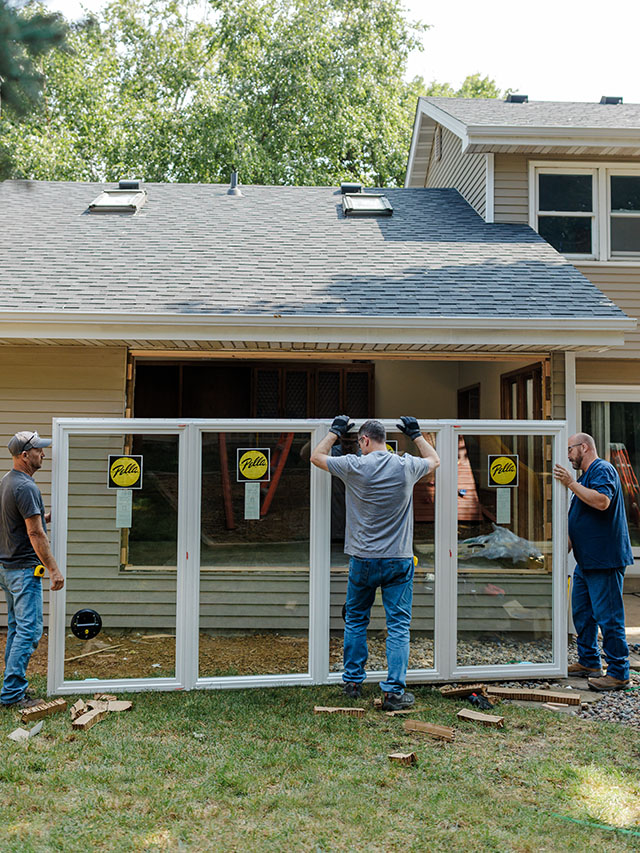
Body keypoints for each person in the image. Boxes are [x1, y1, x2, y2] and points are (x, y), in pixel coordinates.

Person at [311, 415, 439, 710]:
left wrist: (334, 432)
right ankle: (394, 692)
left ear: (365, 440)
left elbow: (317, 456)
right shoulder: (406, 465)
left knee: (356, 620)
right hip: (398, 559)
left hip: (364, 559)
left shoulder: (355, 466)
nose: (359, 447)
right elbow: (434, 460)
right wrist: (417, 434)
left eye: (359, 442)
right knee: (398, 626)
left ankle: (353, 682)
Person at [553, 432, 633, 691]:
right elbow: (579, 521)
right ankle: (589, 662)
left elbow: (602, 502)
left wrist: (570, 484)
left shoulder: (603, 469)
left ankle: (619, 673)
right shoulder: (586, 478)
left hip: (604, 561)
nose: (567, 455)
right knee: (583, 614)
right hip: (586, 562)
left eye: (569, 449)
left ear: (584, 447)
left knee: (608, 617)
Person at [0, 431, 64, 709]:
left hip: (8, 568)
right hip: (24, 570)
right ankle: (13, 695)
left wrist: (44, 514)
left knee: (16, 628)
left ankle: (11, 686)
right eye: (39, 450)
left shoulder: (7, 481)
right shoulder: (25, 487)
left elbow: (17, 518)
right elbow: (35, 534)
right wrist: (53, 569)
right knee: (29, 631)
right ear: (25, 455)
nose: (43, 454)